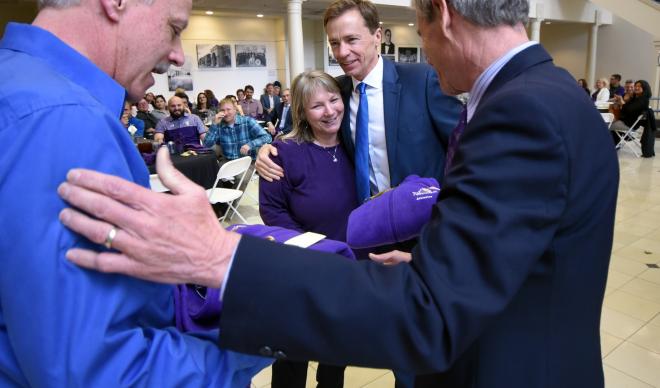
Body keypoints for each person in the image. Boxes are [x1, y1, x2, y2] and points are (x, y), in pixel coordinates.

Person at [57, 0, 619, 387]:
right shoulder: (552, 95)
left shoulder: (517, 113)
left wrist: (223, 257)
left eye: (416, 32)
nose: (419, 47)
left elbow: (429, 315)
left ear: (442, 15)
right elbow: (514, 242)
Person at [0, 0, 271, 386]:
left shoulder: (17, 81)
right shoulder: (66, 121)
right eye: (174, 28)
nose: (177, 56)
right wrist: (260, 335)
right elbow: (100, 372)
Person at [257, 0, 462, 206]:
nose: (342, 53)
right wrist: (268, 149)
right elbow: (300, 131)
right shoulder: (335, 93)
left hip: (427, 220)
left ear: (377, 36)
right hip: (368, 225)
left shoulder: (422, 80)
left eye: (351, 39)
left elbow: (466, 146)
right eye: (335, 43)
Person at [259, 70, 355, 388]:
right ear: (301, 112)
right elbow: (271, 210)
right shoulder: (283, 152)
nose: (329, 111)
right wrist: (314, 248)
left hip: (347, 271)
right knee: (292, 363)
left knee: (335, 360)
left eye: (333, 100)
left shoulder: (356, 144)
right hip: (301, 271)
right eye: (317, 106)